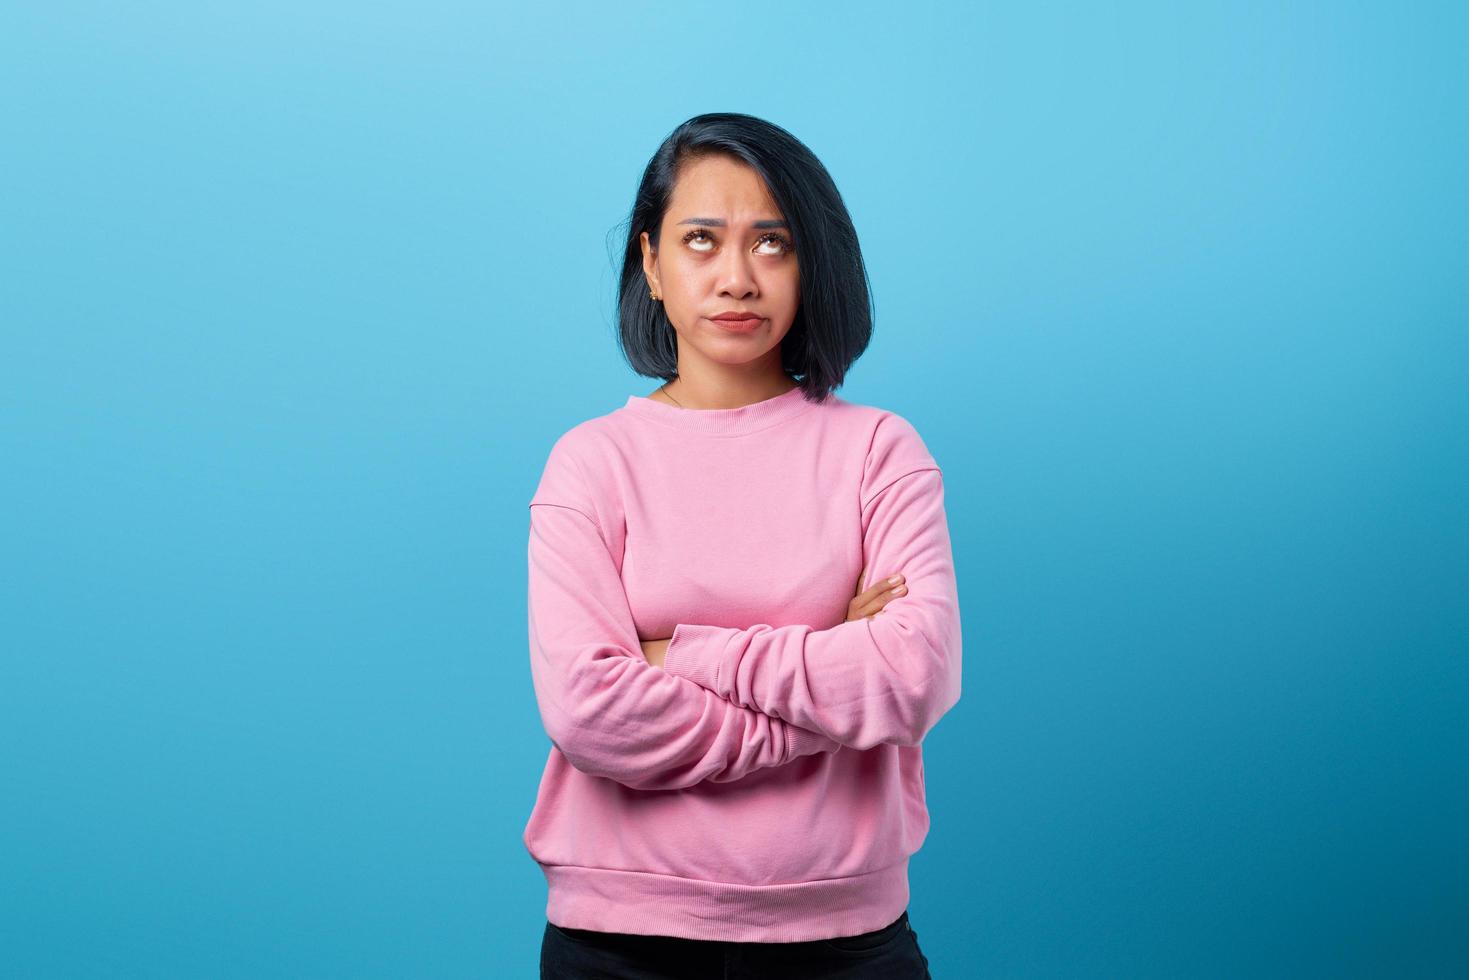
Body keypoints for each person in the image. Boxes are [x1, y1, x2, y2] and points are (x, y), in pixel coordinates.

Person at [525, 111, 960, 978]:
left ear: (811, 265)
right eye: (700, 240)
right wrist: (832, 676)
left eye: (772, 243)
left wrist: (686, 656)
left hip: (845, 942)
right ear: (650, 263)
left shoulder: (879, 450)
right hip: (620, 944)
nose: (736, 277)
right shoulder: (591, 463)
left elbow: (915, 677)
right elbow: (590, 716)